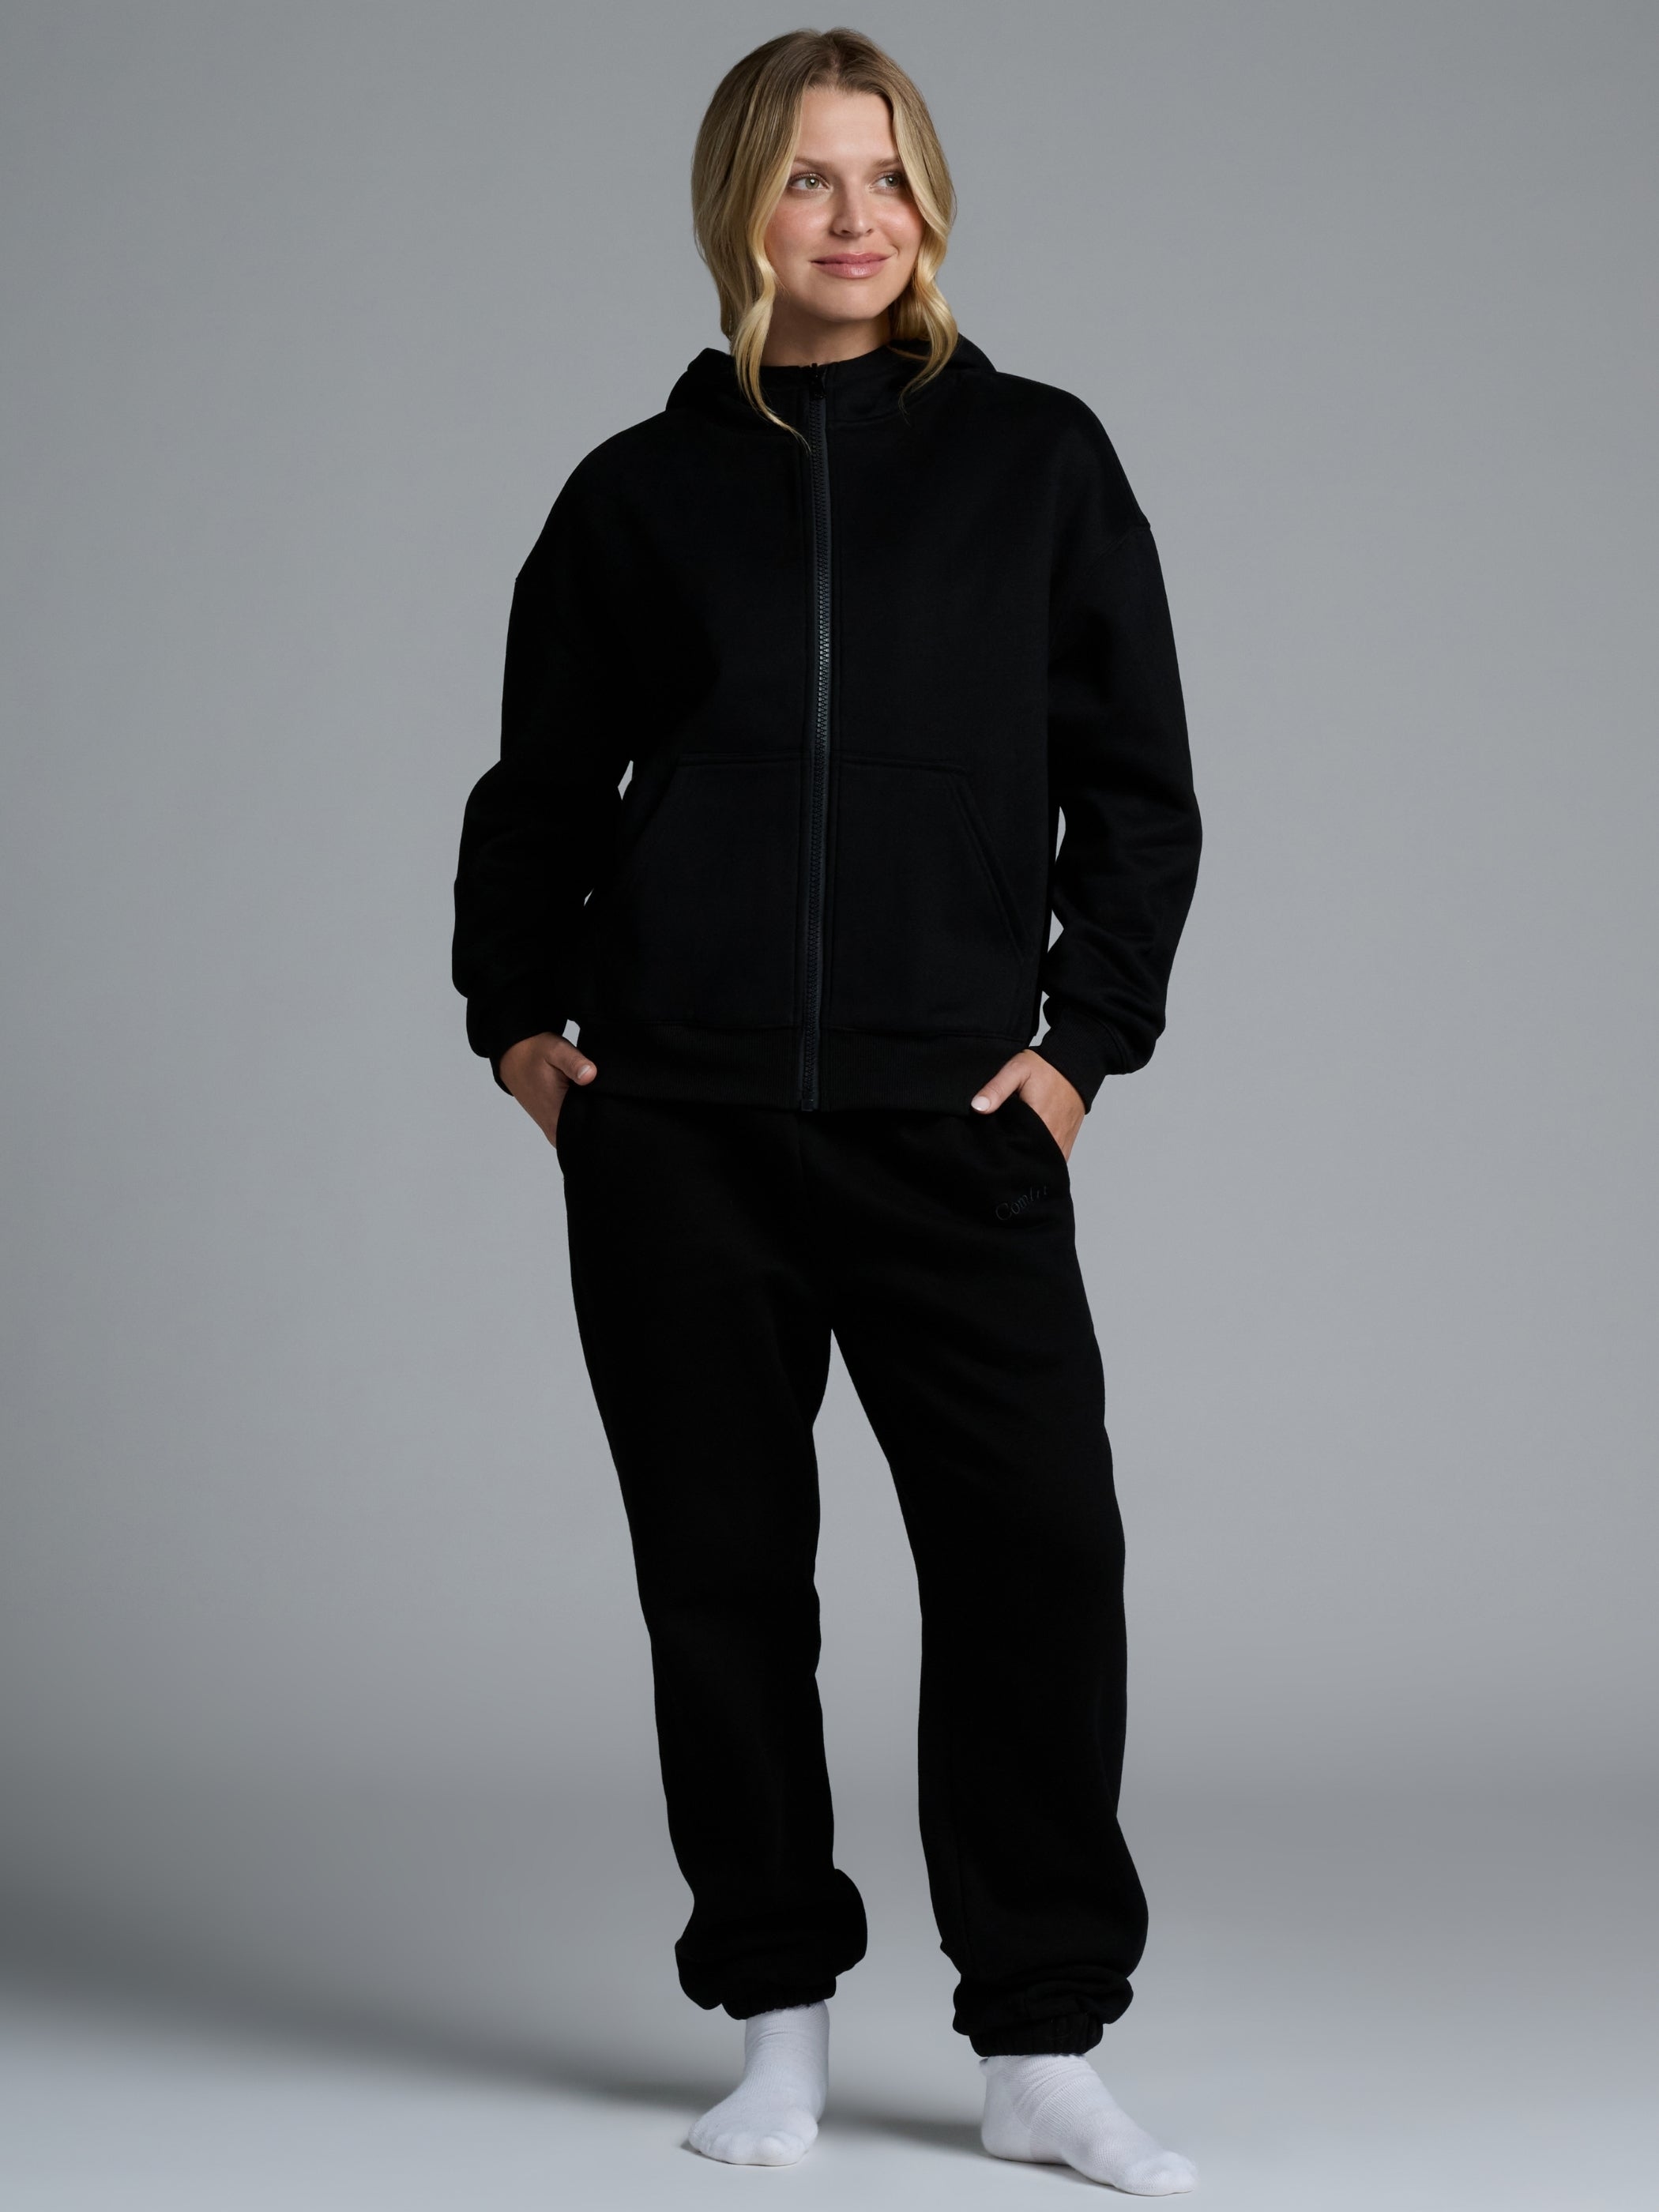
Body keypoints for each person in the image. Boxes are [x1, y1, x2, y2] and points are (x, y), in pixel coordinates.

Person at [451, 26, 1202, 2195]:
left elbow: (1138, 796)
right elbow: (539, 785)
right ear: (739, 213)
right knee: (721, 1583)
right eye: (806, 179)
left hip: (951, 1126)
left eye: (886, 176)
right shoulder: (636, 493)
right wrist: (518, 1026)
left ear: (930, 204)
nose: (855, 218)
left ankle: (1038, 2044)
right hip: (677, 1131)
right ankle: (774, 2024)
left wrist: (1076, 1052)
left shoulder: (1039, 461)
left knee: (1035, 1563)